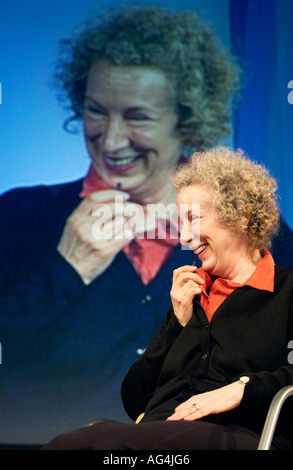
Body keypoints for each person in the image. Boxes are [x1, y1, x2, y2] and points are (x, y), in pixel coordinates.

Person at [0, 6, 292, 445]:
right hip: (141, 433)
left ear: (186, 119)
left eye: (137, 116)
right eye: (96, 111)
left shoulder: (279, 269)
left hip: (209, 438)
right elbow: (133, 395)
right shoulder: (21, 214)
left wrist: (240, 391)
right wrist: (65, 269)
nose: (112, 140)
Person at [43, 147, 293, 450]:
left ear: (240, 216)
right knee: (66, 446)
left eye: (194, 219)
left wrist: (241, 389)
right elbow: (134, 398)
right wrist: (176, 323)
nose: (184, 238)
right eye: (180, 224)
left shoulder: (286, 290)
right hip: (159, 434)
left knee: (117, 446)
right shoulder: (193, 295)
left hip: (241, 433)